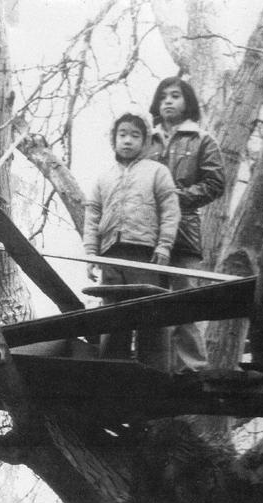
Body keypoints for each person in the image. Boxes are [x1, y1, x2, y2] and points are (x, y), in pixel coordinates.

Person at [83, 106, 180, 370]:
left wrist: (164, 246)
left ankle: (155, 373)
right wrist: (91, 254)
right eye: (122, 134)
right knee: (113, 315)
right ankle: (113, 372)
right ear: (114, 139)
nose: (127, 140)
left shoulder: (157, 172)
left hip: (144, 254)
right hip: (111, 254)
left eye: (135, 135)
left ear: (146, 141)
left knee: (150, 311)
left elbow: (170, 211)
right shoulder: (104, 177)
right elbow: (92, 215)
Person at [148, 77, 225, 373]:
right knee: (151, 301)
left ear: (187, 103)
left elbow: (216, 183)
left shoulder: (202, 139)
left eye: (175, 95)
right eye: (163, 96)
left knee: (185, 300)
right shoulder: (147, 140)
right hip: (148, 234)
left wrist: (177, 198)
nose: (168, 101)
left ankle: (191, 369)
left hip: (185, 231)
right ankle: (156, 370)